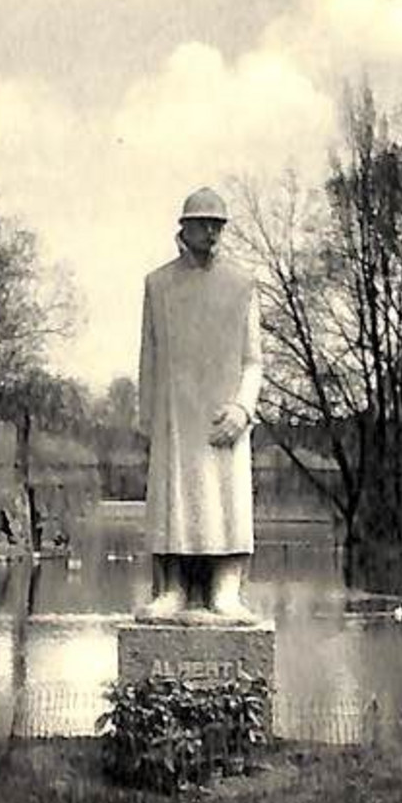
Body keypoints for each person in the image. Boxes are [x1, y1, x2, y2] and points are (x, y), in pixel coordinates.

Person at [135, 187, 263, 620]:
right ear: (184, 226)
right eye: (204, 222)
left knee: (225, 502)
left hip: (224, 420)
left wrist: (243, 410)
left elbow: (254, 361)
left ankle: (225, 589)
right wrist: (149, 421)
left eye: (218, 224)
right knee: (174, 501)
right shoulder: (158, 284)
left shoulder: (243, 284)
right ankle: (172, 588)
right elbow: (148, 358)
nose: (212, 232)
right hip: (175, 421)